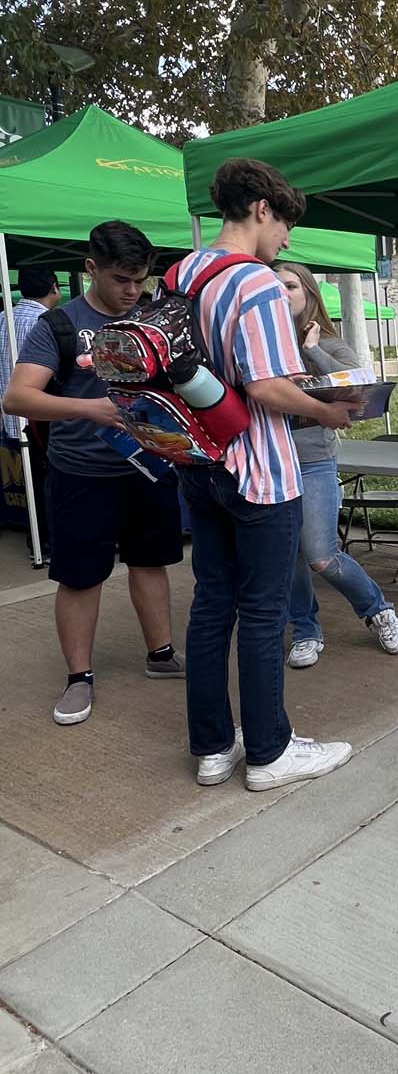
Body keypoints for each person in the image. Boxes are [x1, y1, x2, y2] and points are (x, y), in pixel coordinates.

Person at [173, 158, 360, 791]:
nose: (284, 242)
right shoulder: (253, 283)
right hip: (259, 467)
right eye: (284, 227)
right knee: (261, 611)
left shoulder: (183, 273)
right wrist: (325, 410)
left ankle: (213, 747)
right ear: (261, 211)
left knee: (210, 605)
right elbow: (266, 386)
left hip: (198, 460)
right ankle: (271, 752)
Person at [3, 223, 184, 726]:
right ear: (91, 269)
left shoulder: (154, 317)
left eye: (140, 278)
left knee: (152, 563)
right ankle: (78, 677)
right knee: (80, 578)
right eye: (121, 278)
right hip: (81, 471)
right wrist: (91, 409)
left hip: (150, 466)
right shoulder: (59, 324)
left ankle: (161, 653)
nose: (132, 289)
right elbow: (18, 398)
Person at [276, 262, 398, 667]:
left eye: (291, 286)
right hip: (273, 463)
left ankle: (378, 610)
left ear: (310, 293)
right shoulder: (264, 344)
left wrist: (312, 349)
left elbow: (360, 380)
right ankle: (306, 629)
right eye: (274, 287)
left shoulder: (328, 343)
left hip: (314, 462)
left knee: (320, 554)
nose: (283, 294)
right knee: (290, 557)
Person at [1, 267, 61, 557]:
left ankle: (37, 537)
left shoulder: (3, 318)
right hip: (37, 418)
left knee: (31, 482)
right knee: (47, 481)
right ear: (54, 287)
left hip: (9, 417)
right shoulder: (44, 322)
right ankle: (46, 542)